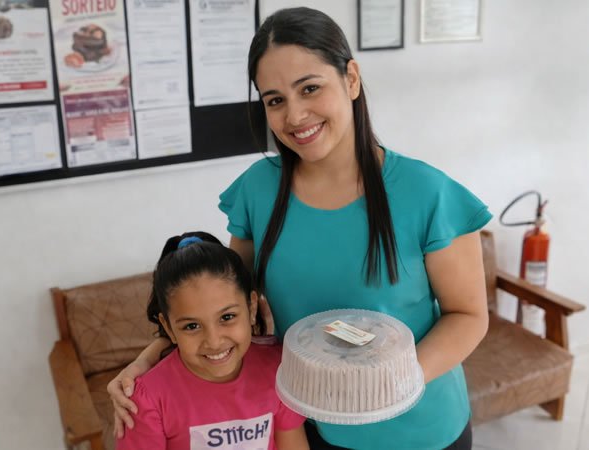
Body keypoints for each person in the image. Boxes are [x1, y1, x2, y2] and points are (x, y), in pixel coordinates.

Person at [110, 7, 490, 450]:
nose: (294, 116)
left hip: (420, 430)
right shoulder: (257, 190)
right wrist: (148, 358)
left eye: (310, 88)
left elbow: (469, 317)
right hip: (305, 428)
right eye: (275, 100)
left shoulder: (428, 193)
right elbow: (229, 307)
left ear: (350, 79)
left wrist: (384, 388)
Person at [116, 232, 308, 450]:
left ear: (252, 307)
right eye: (192, 326)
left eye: (227, 317)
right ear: (168, 327)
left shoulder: (279, 370)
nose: (214, 341)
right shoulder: (146, 399)